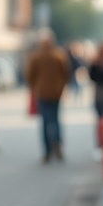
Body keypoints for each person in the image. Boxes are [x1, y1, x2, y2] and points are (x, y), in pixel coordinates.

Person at [25, 29, 71, 163]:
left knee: (45, 122)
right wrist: (61, 87)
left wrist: (35, 88)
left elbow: (30, 75)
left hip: (42, 93)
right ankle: (57, 144)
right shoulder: (59, 55)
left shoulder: (36, 56)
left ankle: (47, 151)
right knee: (55, 120)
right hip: (56, 92)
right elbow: (66, 73)